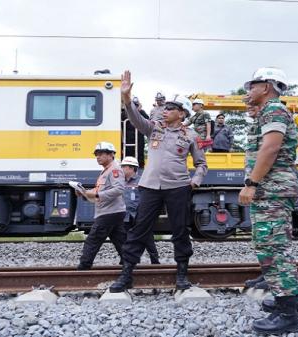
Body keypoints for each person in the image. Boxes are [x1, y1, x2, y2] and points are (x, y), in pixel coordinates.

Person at [109, 70, 207, 293]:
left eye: (171, 108)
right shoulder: (154, 128)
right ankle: (126, 274)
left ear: (182, 114)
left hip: (179, 187)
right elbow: (135, 118)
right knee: (139, 229)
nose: (165, 110)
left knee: (180, 230)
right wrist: (126, 98)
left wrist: (195, 182)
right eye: (165, 107)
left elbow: (202, 163)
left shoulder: (191, 136)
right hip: (150, 186)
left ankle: (182, 273)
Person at [238, 67, 298, 334]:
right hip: (274, 189)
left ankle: (288, 315)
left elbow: (271, 147)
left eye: (252, 86)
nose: (248, 91)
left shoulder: (274, 110)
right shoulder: (269, 111)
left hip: (271, 189)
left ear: (267, 86)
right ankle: (294, 303)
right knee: (278, 248)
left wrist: (252, 183)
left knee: (272, 250)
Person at [77, 142, 127, 270]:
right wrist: (83, 193)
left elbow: (119, 189)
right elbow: (98, 192)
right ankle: (129, 264)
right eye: (96, 154)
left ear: (111, 155)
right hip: (112, 211)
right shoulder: (105, 172)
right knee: (120, 240)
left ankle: (83, 268)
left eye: (101, 154)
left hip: (109, 212)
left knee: (93, 240)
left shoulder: (114, 170)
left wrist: (97, 195)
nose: (97, 157)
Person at [120, 156, 160, 264]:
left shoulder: (142, 181)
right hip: (126, 216)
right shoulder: (120, 182)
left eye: (124, 167)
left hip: (140, 216)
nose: (121, 169)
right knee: (125, 239)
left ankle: (155, 261)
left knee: (148, 239)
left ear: (132, 168)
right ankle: (125, 261)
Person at [121, 97, 148, 167]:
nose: (134, 107)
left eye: (136, 105)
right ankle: (127, 165)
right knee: (128, 151)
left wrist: (139, 112)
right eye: (133, 105)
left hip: (139, 134)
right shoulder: (124, 113)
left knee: (140, 150)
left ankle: (140, 165)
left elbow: (147, 120)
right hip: (128, 135)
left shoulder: (141, 112)